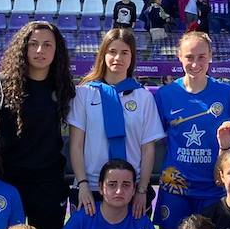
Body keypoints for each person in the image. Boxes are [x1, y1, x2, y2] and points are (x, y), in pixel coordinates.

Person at [0, 21, 75, 229]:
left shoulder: (64, 86)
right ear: (23, 48)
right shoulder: (3, 83)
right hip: (9, 180)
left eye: (47, 45)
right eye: (34, 44)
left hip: (49, 182)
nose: (40, 51)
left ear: (57, 49)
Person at [153, 32, 230, 229]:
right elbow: (152, 138)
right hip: (175, 187)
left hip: (213, 187)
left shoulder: (225, 93)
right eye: (189, 57)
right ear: (179, 56)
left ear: (210, 56)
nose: (195, 63)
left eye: (201, 57)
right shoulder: (165, 94)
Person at [68, 27, 163, 218]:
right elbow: (76, 145)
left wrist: (142, 190)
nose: (118, 58)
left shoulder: (143, 97)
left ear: (132, 57)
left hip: (130, 189)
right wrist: (83, 184)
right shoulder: (84, 93)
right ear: (103, 55)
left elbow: (148, 149)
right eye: (112, 52)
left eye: (124, 52)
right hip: (92, 188)